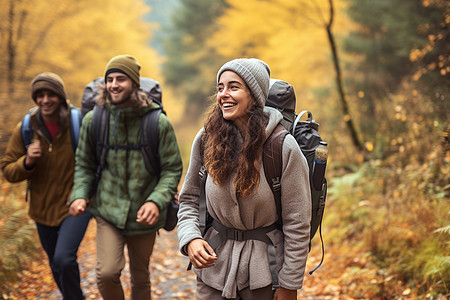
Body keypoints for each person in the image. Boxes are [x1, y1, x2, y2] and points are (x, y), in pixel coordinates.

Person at [177, 58, 312, 300]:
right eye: (220, 88)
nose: (223, 95)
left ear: (254, 95)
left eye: (233, 87)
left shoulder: (281, 146)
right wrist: (191, 239)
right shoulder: (207, 139)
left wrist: (290, 283)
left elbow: (298, 221)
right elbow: (188, 199)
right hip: (213, 268)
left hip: (264, 272)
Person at [69, 54, 183, 300]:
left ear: (134, 83)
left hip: (144, 214)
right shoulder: (94, 119)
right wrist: (79, 194)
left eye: (120, 79)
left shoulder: (157, 123)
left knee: (140, 277)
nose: (113, 84)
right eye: (109, 79)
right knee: (106, 273)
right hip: (107, 211)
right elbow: (84, 164)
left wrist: (155, 201)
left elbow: (172, 169)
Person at [0, 72, 92, 300]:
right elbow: (8, 170)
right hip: (42, 209)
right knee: (56, 264)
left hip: (75, 205)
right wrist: (27, 161)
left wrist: (83, 192)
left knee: (63, 258)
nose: (45, 99)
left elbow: (97, 162)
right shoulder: (27, 127)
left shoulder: (78, 122)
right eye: (39, 95)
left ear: (60, 96)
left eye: (50, 94)